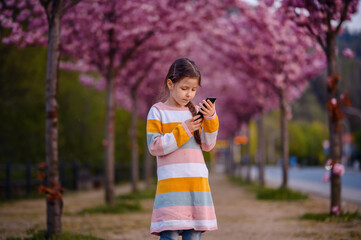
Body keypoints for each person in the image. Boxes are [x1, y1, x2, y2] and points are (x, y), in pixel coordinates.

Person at [146, 58, 219, 240]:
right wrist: (184, 129)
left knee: (193, 236)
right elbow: (155, 146)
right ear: (170, 84)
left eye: (193, 90)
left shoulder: (194, 112)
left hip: (196, 186)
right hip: (171, 188)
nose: (189, 94)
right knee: (169, 235)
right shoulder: (158, 111)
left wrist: (211, 119)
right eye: (184, 88)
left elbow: (208, 145)